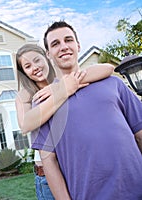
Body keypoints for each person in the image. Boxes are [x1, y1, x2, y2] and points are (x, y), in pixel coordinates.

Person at [32, 20, 142, 199]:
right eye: (55, 44)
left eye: (68, 40)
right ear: (48, 54)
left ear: (78, 45)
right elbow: (49, 161)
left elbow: (140, 133)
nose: (63, 47)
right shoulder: (43, 102)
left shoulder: (113, 84)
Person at [15, 44, 114, 200]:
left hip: (77, 168)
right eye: (27, 66)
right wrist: (62, 92)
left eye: (37, 60)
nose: (35, 67)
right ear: (24, 72)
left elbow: (108, 68)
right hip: (47, 175)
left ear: (47, 57)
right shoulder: (26, 95)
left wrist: (60, 86)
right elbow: (25, 125)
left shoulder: (64, 78)